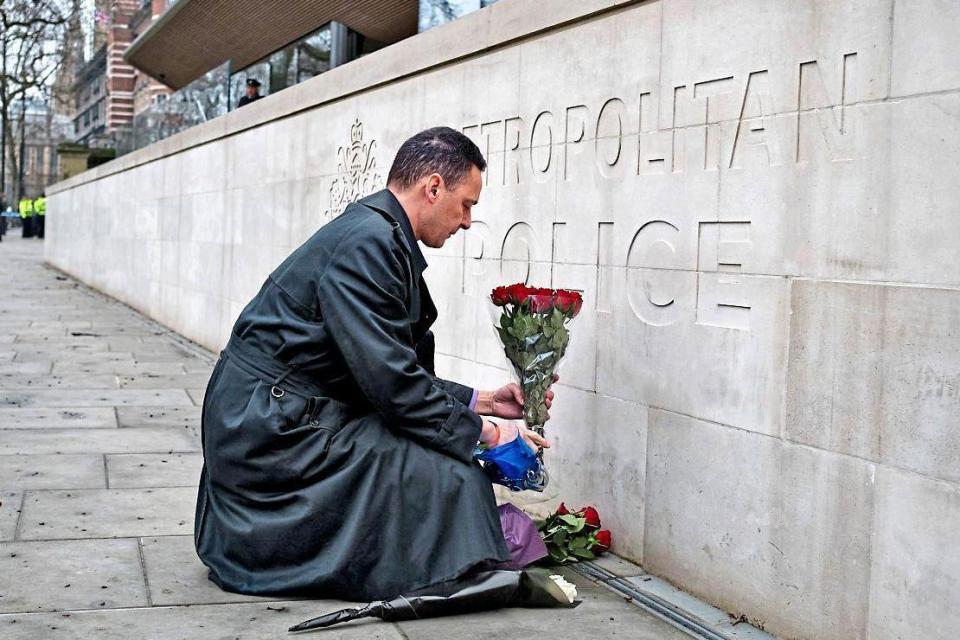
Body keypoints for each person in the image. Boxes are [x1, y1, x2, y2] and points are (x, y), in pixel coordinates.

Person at [195, 127, 554, 602]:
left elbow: (383, 366)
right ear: (432, 187)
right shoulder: (369, 241)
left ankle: (447, 554)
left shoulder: (379, 234)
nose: (467, 221)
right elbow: (391, 384)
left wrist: (483, 400)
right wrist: (486, 433)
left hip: (280, 411)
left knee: (446, 467)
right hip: (271, 431)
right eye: (466, 204)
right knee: (450, 473)